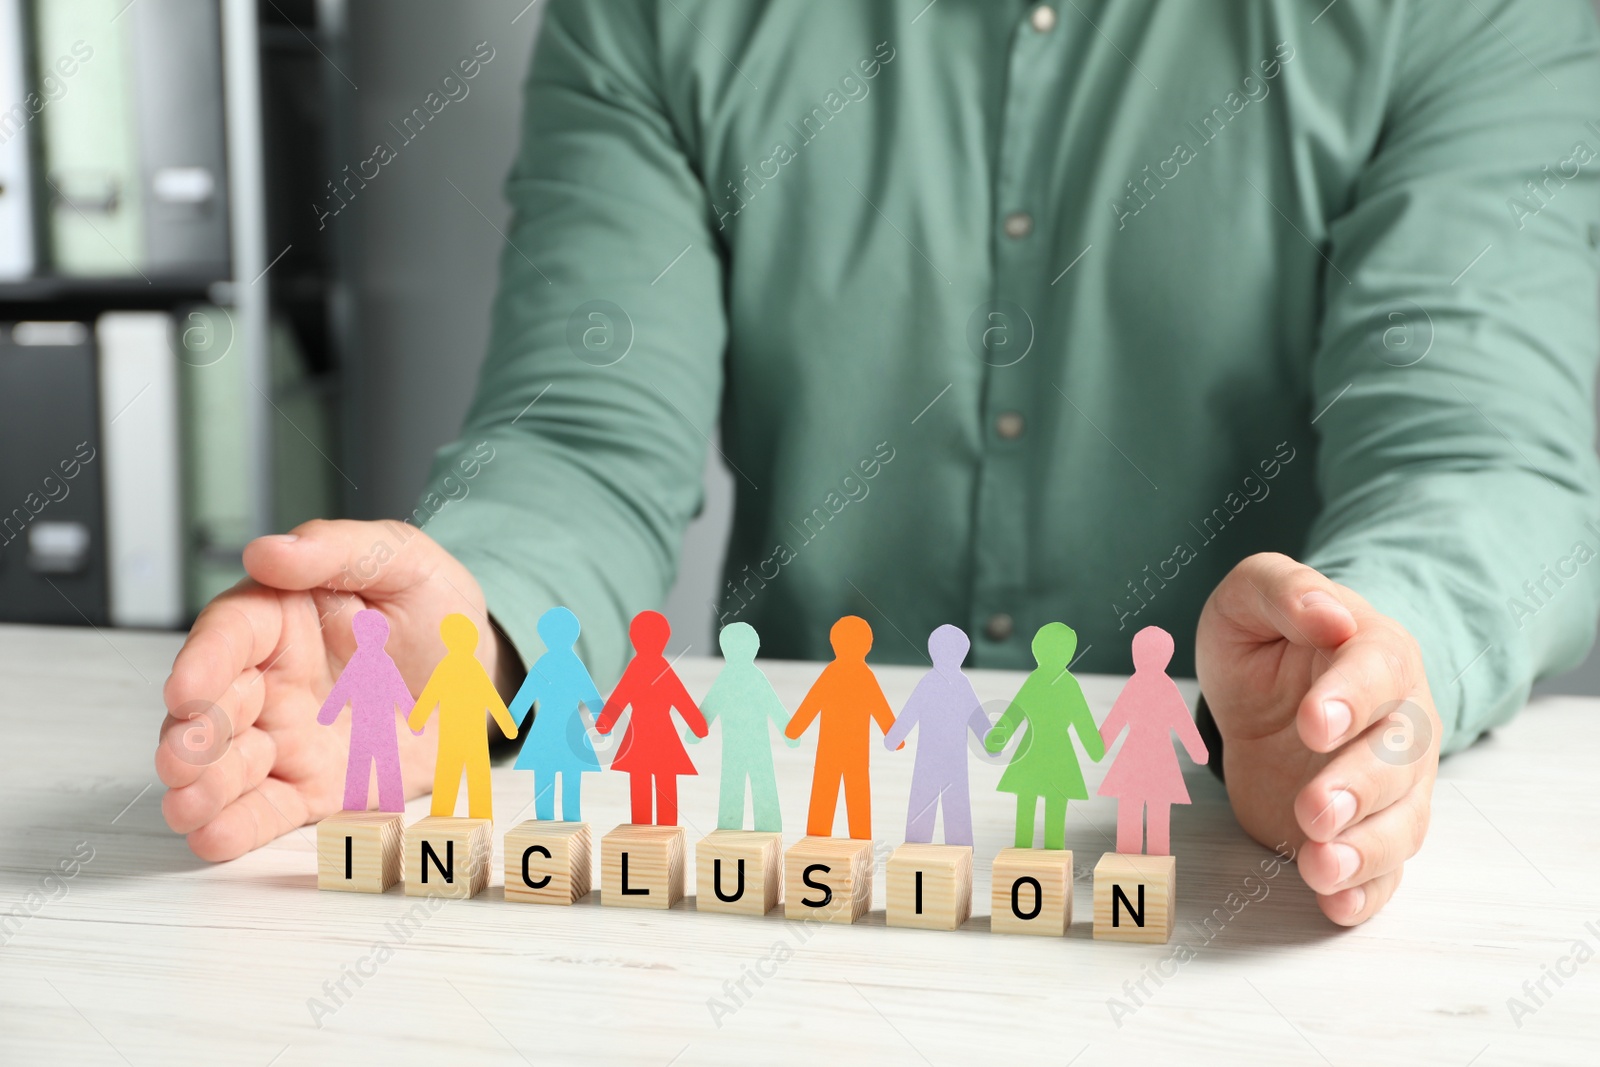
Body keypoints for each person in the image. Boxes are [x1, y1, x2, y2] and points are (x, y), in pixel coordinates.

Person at [157, 2, 1600, 926]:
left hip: (1229, 892)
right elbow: (582, 434)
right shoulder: (651, 19)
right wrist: (473, 639)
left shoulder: (1472, 17)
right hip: (788, 890)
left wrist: (1363, 671)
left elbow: (1485, 457)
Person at [985, 623, 1105, 851]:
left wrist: (997, 738)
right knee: (1053, 800)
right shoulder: (1065, 683)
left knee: (1028, 797)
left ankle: (1038, 849)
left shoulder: (1039, 680)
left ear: (1036, 649)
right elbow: (1083, 722)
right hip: (1057, 754)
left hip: (1033, 752)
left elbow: (1015, 712)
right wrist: (1095, 749)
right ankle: (1036, 849)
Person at [1099, 626, 1210, 856]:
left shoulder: (1142, 684)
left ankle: (1150, 857)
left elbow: (1116, 718)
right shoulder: (1160, 686)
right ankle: (1134, 855)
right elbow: (1183, 722)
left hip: (1137, 756)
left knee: (1135, 803)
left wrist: (1100, 746)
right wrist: (1198, 751)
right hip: (1159, 758)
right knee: (1153, 805)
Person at [785, 616, 897, 839]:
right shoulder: (864, 675)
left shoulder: (833, 672)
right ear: (868, 645)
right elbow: (881, 708)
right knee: (855, 790)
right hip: (855, 750)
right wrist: (894, 737)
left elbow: (810, 704)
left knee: (825, 790)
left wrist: (794, 730)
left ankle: (834, 835)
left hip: (831, 749)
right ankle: (858, 836)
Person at [594, 610, 707, 825]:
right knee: (659, 777)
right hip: (658, 735)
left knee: (642, 777)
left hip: (642, 735)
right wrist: (698, 724)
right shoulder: (656, 667)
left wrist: (605, 722)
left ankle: (657, 825)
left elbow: (620, 697)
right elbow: (681, 700)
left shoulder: (641, 667)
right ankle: (652, 825)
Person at [883, 624, 988, 847]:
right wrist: (990, 742)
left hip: (937, 759)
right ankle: (926, 845)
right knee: (942, 800)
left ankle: (954, 846)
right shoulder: (950, 683)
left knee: (942, 801)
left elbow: (975, 715)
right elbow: (976, 717)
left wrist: (893, 739)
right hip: (943, 759)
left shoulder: (939, 682)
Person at [407, 614, 519, 820]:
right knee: (466, 774)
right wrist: (507, 725)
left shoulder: (455, 667)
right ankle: (449, 817)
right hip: (465, 735)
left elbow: (432, 695)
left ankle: (476, 817)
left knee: (455, 773)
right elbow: (490, 697)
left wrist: (417, 719)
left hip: (465, 735)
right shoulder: (462, 667)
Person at [692, 622, 797, 833]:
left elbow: (773, 705)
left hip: (743, 746)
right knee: (745, 783)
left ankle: (766, 827)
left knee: (747, 783)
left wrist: (695, 732)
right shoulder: (740, 677)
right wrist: (790, 733)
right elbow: (710, 707)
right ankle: (736, 828)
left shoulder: (737, 677)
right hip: (747, 745)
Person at [505, 606, 606, 822]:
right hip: (567, 728)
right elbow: (590, 696)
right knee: (564, 773)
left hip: (549, 727)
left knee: (547, 774)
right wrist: (603, 723)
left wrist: (509, 724)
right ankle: (553, 819)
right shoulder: (571, 665)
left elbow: (525, 697)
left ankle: (563, 818)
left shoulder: (546, 663)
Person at [315, 609, 416, 813]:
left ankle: (392, 809)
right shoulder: (360, 662)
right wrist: (328, 713)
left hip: (382, 727)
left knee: (385, 769)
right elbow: (342, 689)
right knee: (360, 770)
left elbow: (399, 690)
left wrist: (414, 719)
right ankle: (355, 811)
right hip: (363, 727)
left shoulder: (382, 663)